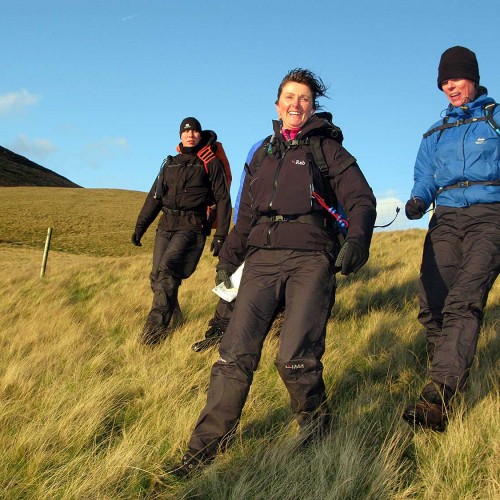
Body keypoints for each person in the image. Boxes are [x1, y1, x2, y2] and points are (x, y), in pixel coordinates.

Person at [172, 68, 377, 476]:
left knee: (294, 359)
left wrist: (357, 241)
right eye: (288, 97)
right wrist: (228, 260)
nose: (295, 104)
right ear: (277, 104)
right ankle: (203, 449)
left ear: (313, 106)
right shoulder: (263, 154)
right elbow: (245, 216)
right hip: (261, 262)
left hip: (311, 259)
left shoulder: (328, 151)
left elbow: (361, 199)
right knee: (233, 357)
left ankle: (318, 429)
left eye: (303, 98)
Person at [402, 46, 500, 431]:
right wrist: (416, 199)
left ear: (472, 78)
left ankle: (437, 395)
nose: (449, 87)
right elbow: (424, 175)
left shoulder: (494, 120)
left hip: (489, 217)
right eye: (443, 81)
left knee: (463, 300)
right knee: (433, 304)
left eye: (455, 79)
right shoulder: (434, 133)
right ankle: (447, 388)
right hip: (444, 219)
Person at [132, 117, 232, 345]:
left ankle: (153, 332)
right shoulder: (170, 163)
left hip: (192, 225)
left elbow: (223, 199)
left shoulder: (210, 162)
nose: (191, 135)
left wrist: (221, 235)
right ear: (180, 136)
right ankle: (175, 318)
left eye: (195, 131)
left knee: (167, 272)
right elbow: (154, 197)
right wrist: (140, 227)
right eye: (186, 132)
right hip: (166, 225)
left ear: (200, 135)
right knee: (156, 277)